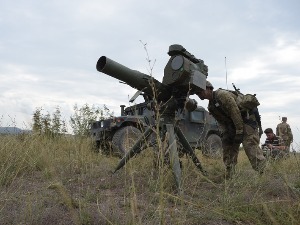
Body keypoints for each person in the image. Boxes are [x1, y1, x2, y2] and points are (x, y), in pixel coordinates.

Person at [196, 81, 266, 178]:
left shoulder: (222, 95)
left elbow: (235, 112)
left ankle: (262, 172)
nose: (199, 94)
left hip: (246, 119)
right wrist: (225, 133)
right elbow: (221, 122)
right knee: (227, 146)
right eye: (197, 93)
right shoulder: (211, 106)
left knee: (249, 145)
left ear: (209, 88)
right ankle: (230, 173)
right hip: (233, 124)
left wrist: (239, 131)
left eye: (200, 91)